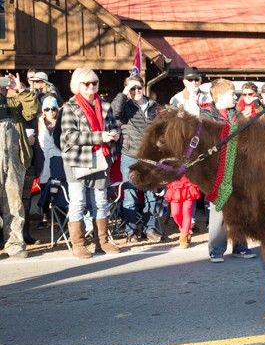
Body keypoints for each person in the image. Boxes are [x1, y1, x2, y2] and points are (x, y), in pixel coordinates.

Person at [60, 67, 121, 259]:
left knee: (101, 201)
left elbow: (113, 127)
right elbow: (70, 137)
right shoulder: (69, 107)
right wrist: (100, 137)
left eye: (94, 83)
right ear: (77, 85)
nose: (91, 87)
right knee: (78, 202)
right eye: (86, 83)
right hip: (76, 160)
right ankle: (78, 244)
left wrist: (115, 134)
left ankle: (102, 241)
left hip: (101, 158)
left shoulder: (105, 105)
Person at [200, 78, 256, 262]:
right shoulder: (207, 115)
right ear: (221, 96)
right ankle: (216, 249)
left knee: (239, 207)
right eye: (232, 94)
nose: (236, 96)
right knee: (219, 209)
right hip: (217, 168)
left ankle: (240, 246)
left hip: (238, 166)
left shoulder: (237, 114)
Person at [111, 76, 162, 243]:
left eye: (139, 87)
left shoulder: (154, 106)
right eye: (132, 88)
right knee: (130, 195)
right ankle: (130, 231)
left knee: (151, 196)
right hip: (130, 156)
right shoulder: (125, 107)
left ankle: (150, 229)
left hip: (150, 158)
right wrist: (124, 93)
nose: (136, 91)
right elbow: (114, 111)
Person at [0, 73, 40, 258]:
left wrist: (21, 89)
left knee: (15, 203)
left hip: (14, 161)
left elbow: (32, 110)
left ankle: (15, 244)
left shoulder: (13, 105)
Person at [170, 66, 205, 232]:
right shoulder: (176, 100)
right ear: (184, 81)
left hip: (206, 146)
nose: (194, 82)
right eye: (190, 79)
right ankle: (188, 223)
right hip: (186, 149)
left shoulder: (208, 96)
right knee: (187, 188)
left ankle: (211, 221)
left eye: (196, 79)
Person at [34, 96, 62, 229]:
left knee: (59, 188)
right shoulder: (38, 123)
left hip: (58, 158)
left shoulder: (62, 122)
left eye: (53, 108)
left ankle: (62, 217)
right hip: (44, 160)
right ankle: (44, 218)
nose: (51, 111)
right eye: (47, 109)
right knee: (44, 188)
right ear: (43, 111)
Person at [165, 175, 201, 248]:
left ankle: (184, 237)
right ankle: (184, 229)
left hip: (189, 182)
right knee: (175, 213)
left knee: (186, 212)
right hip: (175, 182)